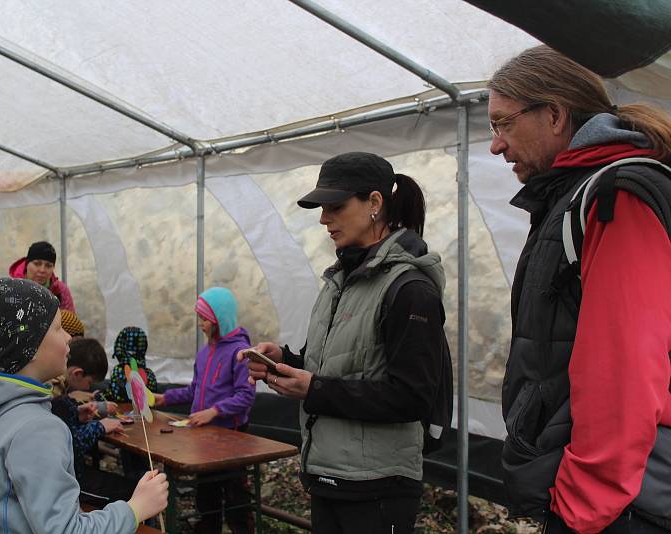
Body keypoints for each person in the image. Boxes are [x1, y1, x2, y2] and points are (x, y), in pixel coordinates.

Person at [488, 45, 671, 533]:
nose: (495, 145)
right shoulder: (571, 197)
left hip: (626, 501)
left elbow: (624, 366)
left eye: (502, 124)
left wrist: (583, 506)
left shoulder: (616, 194)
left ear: (553, 113)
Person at [239, 152, 452, 534]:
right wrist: (284, 360)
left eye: (335, 207)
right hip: (330, 474)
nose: (323, 219)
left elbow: (412, 396)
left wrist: (314, 389)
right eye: (322, 208)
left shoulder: (410, 291)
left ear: (374, 203)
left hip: (377, 485)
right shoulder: (341, 280)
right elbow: (337, 364)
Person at [0, 277, 167, 533]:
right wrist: (134, 509)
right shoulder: (37, 428)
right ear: (29, 346)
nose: (68, 338)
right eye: (58, 328)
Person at [155, 287, 256, 534]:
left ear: (220, 318)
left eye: (204, 318)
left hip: (232, 436)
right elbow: (194, 391)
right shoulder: (204, 353)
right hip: (204, 436)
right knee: (206, 495)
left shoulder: (240, 352)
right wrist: (164, 399)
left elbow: (246, 396)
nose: (200, 324)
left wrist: (214, 411)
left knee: (235, 496)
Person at [49, 337, 133, 507]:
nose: (88, 389)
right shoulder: (54, 396)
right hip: (68, 484)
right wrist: (101, 426)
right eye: (89, 382)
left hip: (70, 474)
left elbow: (61, 424)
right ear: (78, 373)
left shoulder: (56, 386)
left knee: (128, 486)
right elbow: (70, 444)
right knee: (131, 493)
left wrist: (76, 413)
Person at [9, 240, 75, 312]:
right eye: (37, 264)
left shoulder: (61, 291)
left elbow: (70, 320)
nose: (42, 270)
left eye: (48, 265)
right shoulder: (12, 288)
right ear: (27, 264)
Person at [103, 326, 158, 403]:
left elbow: (111, 393)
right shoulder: (149, 374)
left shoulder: (118, 371)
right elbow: (154, 397)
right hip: (145, 413)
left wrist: (100, 396)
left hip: (121, 411)